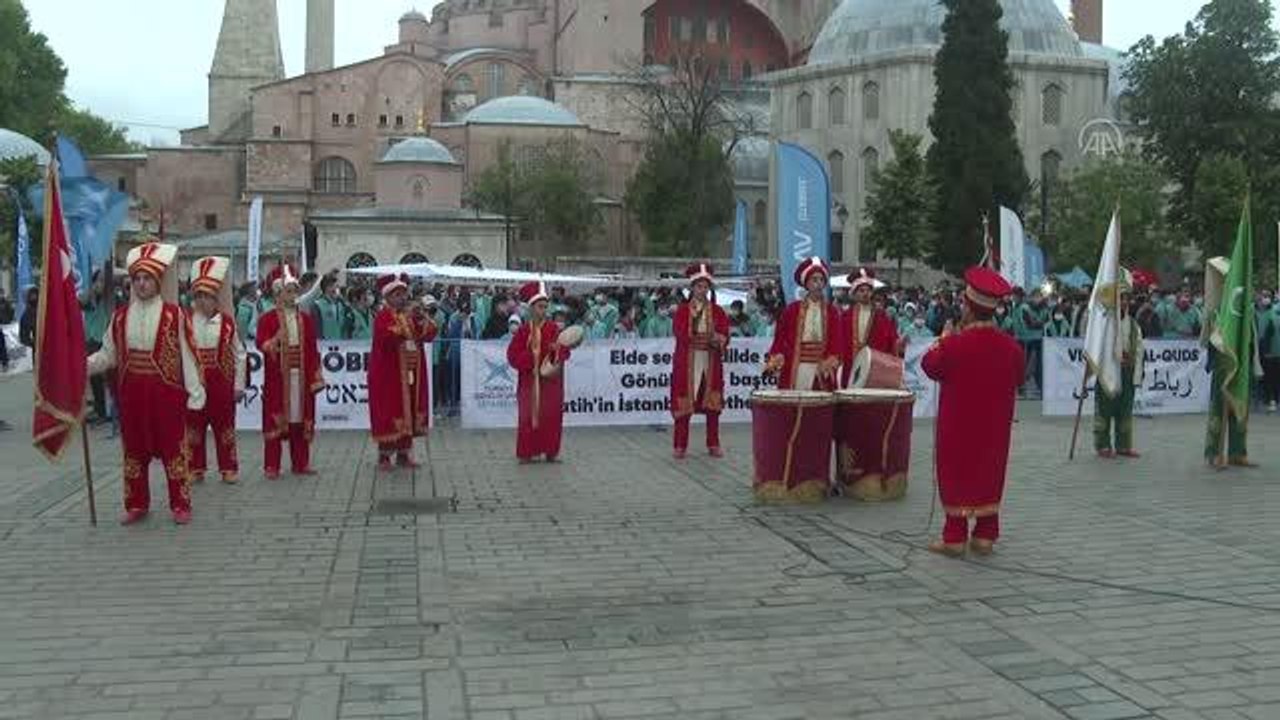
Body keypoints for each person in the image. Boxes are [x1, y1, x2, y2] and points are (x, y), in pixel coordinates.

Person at [87, 242, 206, 525]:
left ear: (158, 281)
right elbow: (108, 354)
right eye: (137, 279)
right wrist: (84, 366)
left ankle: (180, 503)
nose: (141, 284)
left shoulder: (174, 315)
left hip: (166, 393)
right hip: (132, 394)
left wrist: (195, 393)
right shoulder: (119, 318)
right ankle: (137, 503)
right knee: (134, 450)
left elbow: (189, 356)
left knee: (172, 448)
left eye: (147, 278)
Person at [921, 267, 1025, 557]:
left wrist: (943, 338)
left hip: (958, 427)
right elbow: (1018, 379)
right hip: (994, 428)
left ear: (968, 306)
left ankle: (955, 534)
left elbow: (930, 366)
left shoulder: (954, 344)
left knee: (957, 471)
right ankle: (985, 534)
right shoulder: (1012, 348)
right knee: (989, 470)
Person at [256, 264, 325, 479]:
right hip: (279, 378)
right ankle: (272, 465)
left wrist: (315, 376)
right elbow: (261, 343)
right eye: (289, 291)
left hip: (301, 378)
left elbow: (313, 350)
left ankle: (301, 463)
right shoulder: (267, 319)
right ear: (278, 293)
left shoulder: (305, 319)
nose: (293, 295)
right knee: (276, 420)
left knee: (300, 419)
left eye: (295, 291)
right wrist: (274, 341)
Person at [187, 256, 247, 484]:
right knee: (194, 424)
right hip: (196, 381)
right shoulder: (188, 321)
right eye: (199, 296)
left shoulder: (227, 324)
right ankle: (195, 466)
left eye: (208, 297)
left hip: (221, 381)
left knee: (224, 425)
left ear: (216, 298)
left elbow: (240, 355)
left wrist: (239, 385)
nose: (203, 301)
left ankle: (228, 467)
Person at [368, 273, 437, 470]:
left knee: (409, 410)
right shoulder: (383, 316)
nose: (402, 298)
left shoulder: (410, 315)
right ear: (387, 297)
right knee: (391, 411)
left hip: (411, 370)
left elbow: (429, 334)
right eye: (397, 294)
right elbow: (386, 337)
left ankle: (404, 453)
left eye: (403, 294)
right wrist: (405, 325)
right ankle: (384, 456)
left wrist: (422, 317)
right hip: (389, 374)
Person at [670, 263, 730, 459]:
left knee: (712, 403)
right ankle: (680, 444)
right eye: (699, 286)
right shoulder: (682, 311)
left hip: (710, 361)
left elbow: (725, 334)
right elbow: (679, 333)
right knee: (685, 403)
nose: (702, 290)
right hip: (688, 360)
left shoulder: (718, 311)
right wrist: (694, 333)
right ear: (692, 288)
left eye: (705, 287)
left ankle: (713, 443)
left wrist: (718, 339)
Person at [506, 281, 571, 463]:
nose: (544, 310)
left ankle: (551, 451)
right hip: (529, 382)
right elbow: (512, 356)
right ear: (532, 308)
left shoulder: (553, 329)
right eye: (540, 307)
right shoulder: (524, 331)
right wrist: (530, 357)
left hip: (550, 382)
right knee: (527, 416)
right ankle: (526, 452)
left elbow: (565, 351)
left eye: (545, 306)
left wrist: (555, 351)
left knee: (551, 417)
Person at [764, 257, 841, 390]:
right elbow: (780, 338)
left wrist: (830, 360)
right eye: (814, 280)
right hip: (796, 366)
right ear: (806, 283)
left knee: (819, 407)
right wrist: (776, 357)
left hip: (821, 367)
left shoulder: (832, 312)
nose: (818, 284)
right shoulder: (791, 310)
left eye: (821, 280)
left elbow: (837, 340)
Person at [1093, 271, 1144, 459]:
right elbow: (1096, 346)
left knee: (1125, 410)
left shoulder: (1133, 324)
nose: (1124, 303)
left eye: (1126, 299)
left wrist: (1136, 375)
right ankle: (1103, 445)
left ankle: (1124, 445)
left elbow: (1139, 351)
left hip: (1126, 373)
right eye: (1120, 299)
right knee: (1105, 409)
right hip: (1107, 372)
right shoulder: (1104, 323)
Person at [838, 267, 901, 388]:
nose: (865, 294)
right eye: (861, 290)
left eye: (868, 290)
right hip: (850, 366)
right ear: (854, 293)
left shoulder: (882, 316)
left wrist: (899, 345)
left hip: (875, 368)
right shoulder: (845, 317)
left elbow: (892, 341)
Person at [1260, 290, 1280, 413]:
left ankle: (1274, 400)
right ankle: (1271, 400)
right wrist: (1266, 351)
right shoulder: (1271, 314)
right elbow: (1266, 335)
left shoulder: (1272, 313)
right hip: (1272, 353)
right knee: (1271, 378)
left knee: (1274, 378)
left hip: (1274, 353)